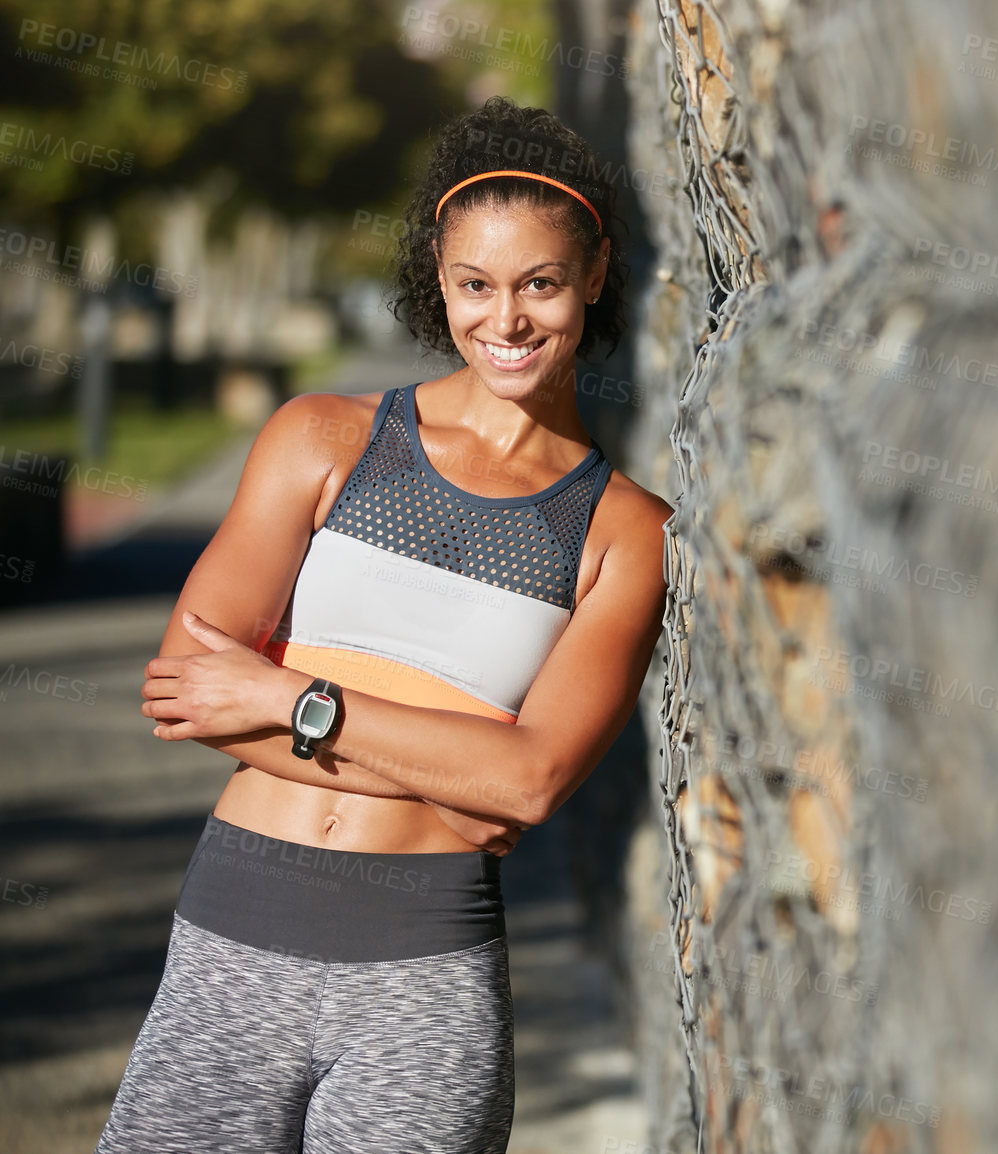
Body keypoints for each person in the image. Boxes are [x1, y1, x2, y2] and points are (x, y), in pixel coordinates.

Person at [93, 96, 672, 1154]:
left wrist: (291, 697)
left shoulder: (625, 531)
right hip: (228, 946)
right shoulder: (324, 437)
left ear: (592, 276)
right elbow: (186, 684)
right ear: (438, 282)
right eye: (474, 285)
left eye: (540, 282)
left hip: (426, 983)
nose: (506, 320)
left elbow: (531, 784)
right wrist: (457, 766)